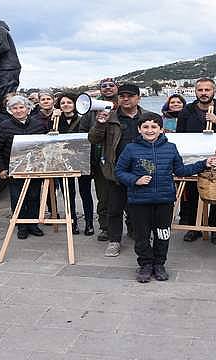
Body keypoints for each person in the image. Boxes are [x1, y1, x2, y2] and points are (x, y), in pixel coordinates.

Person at [116, 113, 216, 282]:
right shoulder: (130, 149)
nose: (150, 130)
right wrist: (135, 180)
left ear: (161, 129)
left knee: (163, 233)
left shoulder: (170, 148)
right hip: (139, 201)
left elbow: (180, 171)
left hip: (164, 200)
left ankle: (159, 264)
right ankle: (145, 264)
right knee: (142, 235)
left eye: (154, 127)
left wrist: (204, 164)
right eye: (146, 127)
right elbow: (119, 172)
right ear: (139, 129)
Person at [88, 84, 155, 257]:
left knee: (142, 208)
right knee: (114, 209)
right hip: (116, 171)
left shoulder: (148, 117)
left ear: (138, 98)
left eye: (130, 96)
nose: (125, 98)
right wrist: (100, 123)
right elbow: (93, 139)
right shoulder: (109, 117)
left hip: (141, 172)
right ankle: (114, 240)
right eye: (122, 96)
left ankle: (141, 236)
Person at [176, 78, 216, 245]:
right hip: (192, 160)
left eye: (207, 90)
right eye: (200, 90)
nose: (203, 93)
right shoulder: (186, 111)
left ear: (214, 91)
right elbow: (180, 135)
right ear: (195, 92)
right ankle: (194, 227)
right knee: (192, 193)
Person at [0, 95, 48, 239]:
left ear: (28, 109)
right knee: (17, 197)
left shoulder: (39, 125)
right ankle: (21, 226)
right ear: (10, 110)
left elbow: (45, 147)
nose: (18, 110)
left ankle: (33, 224)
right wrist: (1, 169)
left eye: (21, 107)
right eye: (14, 108)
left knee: (34, 196)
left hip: (35, 169)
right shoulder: (3, 126)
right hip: (13, 169)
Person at [80, 78, 119, 242]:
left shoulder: (123, 105)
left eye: (111, 85)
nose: (108, 88)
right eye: (104, 86)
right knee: (104, 197)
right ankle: (105, 227)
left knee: (129, 196)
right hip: (100, 160)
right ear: (100, 90)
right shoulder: (91, 108)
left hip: (120, 158)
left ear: (117, 88)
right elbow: (83, 130)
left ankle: (132, 225)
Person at [54, 93, 95, 235]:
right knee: (68, 193)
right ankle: (72, 222)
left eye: (69, 102)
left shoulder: (84, 118)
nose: (66, 105)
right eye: (63, 103)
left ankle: (89, 222)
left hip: (82, 159)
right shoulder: (55, 119)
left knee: (85, 192)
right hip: (63, 161)